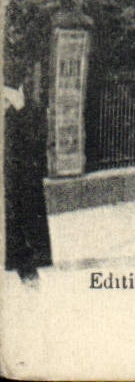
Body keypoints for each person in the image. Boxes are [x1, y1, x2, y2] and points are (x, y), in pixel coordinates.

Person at [4, 70, 52, 285]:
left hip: (19, 178)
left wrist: (21, 109)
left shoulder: (30, 108)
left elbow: (37, 142)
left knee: (21, 220)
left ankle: (28, 273)